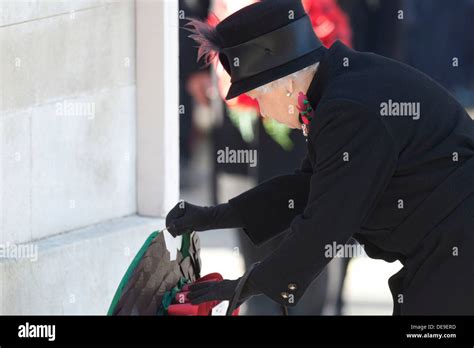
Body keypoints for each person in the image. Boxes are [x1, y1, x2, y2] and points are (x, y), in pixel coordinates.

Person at [167, 0, 474, 315]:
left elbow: (324, 224)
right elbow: (308, 187)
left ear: (285, 84)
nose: (259, 108)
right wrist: (213, 216)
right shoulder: (339, 82)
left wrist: (242, 286)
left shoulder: (347, 109)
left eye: (257, 96)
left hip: (458, 246)